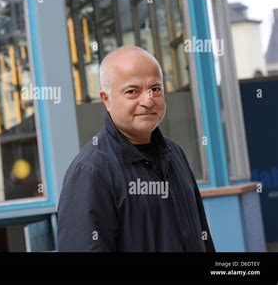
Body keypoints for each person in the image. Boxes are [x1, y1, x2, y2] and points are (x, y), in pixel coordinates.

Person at [57, 46, 215, 252]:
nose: (148, 100)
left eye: (155, 89)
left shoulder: (174, 154)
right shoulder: (91, 172)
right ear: (107, 100)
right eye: (132, 91)